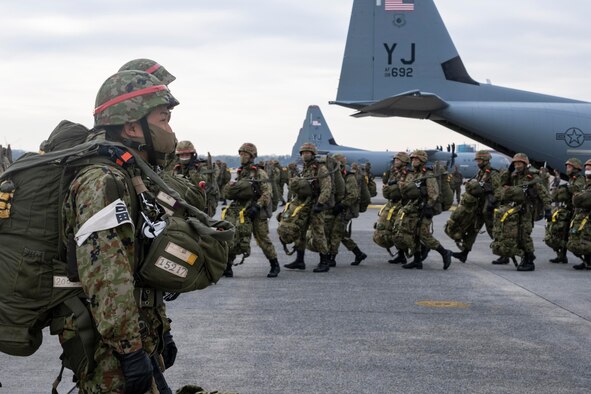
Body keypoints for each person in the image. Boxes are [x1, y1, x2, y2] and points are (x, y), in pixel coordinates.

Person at [61, 70, 181, 393]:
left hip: (137, 335)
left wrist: (161, 331)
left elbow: (139, 266)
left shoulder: (129, 174)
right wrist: (130, 352)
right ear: (131, 127)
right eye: (164, 119)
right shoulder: (102, 181)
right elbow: (106, 275)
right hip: (110, 350)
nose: (170, 130)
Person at [222, 143, 280, 278]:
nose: (242, 157)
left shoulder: (259, 173)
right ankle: (228, 266)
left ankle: (274, 265)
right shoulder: (241, 173)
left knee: (262, 238)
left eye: (245, 154)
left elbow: (267, 193)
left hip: (257, 211)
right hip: (242, 211)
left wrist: (258, 206)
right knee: (234, 237)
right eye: (241, 154)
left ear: (252, 156)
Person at [492, 153, 551, 271]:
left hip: (527, 210)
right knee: (516, 235)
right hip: (515, 209)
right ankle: (526, 257)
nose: (517, 165)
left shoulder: (532, 176)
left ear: (525, 164)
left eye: (519, 163)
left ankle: (530, 261)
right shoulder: (514, 175)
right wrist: (508, 172)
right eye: (515, 163)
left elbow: (543, 193)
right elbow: (503, 185)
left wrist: (548, 209)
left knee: (525, 235)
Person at [397, 150, 452, 270]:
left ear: (422, 161)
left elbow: (434, 193)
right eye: (412, 159)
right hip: (413, 207)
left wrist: (428, 207)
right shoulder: (412, 174)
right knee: (413, 234)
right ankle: (417, 260)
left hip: (424, 208)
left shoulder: (428, 174)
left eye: (417, 159)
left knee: (424, 234)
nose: (414, 161)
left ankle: (444, 252)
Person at [283, 143, 332, 272]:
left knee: (318, 233)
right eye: (303, 153)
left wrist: (320, 204)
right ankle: (300, 260)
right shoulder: (304, 169)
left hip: (316, 204)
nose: (305, 155)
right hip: (303, 205)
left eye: (308, 153)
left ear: (313, 154)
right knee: (300, 232)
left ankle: (324, 261)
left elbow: (327, 188)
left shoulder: (320, 169)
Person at [449, 150, 501, 263]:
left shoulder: (493, 173)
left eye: (480, 160)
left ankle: (505, 254)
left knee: (493, 231)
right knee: (473, 229)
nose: (478, 162)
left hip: (488, 208)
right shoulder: (480, 173)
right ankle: (464, 253)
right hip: (478, 206)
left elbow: (498, 191)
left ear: (486, 160)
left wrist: (491, 200)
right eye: (477, 160)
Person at [545, 158, 585, 264]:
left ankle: (586, 260)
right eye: (567, 166)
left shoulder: (580, 178)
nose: (567, 169)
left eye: (570, 167)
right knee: (562, 233)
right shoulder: (571, 178)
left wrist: (567, 187)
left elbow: (577, 189)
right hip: (567, 209)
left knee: (576, 235)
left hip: (575, 210)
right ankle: (561, 256)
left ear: (576, 168)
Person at [173, 140, 220, 217]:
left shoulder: (203, 167)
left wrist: (192, 169)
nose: (184, 158)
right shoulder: (177, 168)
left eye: (187, 155)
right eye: (182, 155)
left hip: (204, 205)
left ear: (193, 155)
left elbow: (202, 185)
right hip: (185, 203)